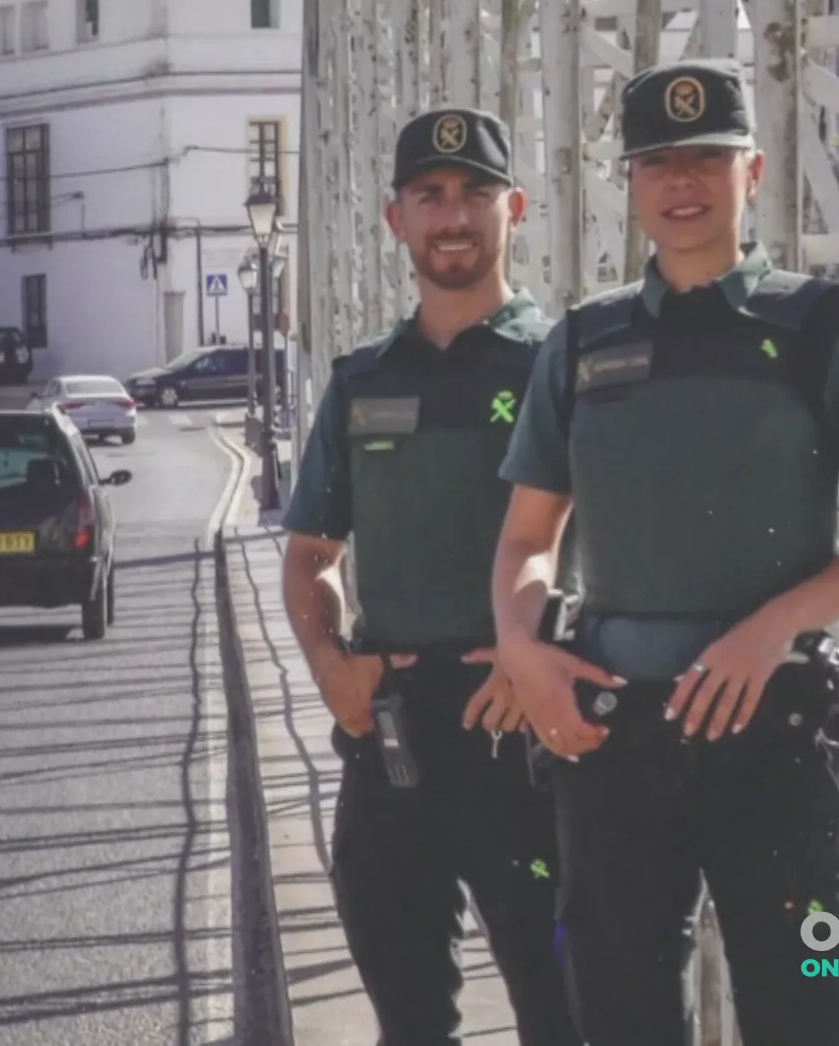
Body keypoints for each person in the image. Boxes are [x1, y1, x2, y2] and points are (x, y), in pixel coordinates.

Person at [488, 57, 839, 1044]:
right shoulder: (581, 342)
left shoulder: (827, 328)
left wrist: (774, 627)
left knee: (806, 1015)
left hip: (775, 728)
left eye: (707, 157)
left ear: (753, 172)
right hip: (612, 736)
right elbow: (525, 541)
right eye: (657, 162)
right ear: (633, 183)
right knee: (620, 1020)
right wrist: (521, 647)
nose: (681, 181)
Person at [280, 105, 580, 1046]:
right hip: (395, 740)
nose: (453, 216)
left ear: (515, 208)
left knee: (565, 1018)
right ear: (395, 218)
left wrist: (540, 652)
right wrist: (329, 665)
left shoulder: (566, 366)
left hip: (527, 743)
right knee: (409, 1026)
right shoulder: (361, 381)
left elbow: (622, 543)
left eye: (476, 193)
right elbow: (312, 554)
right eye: (430, 194)